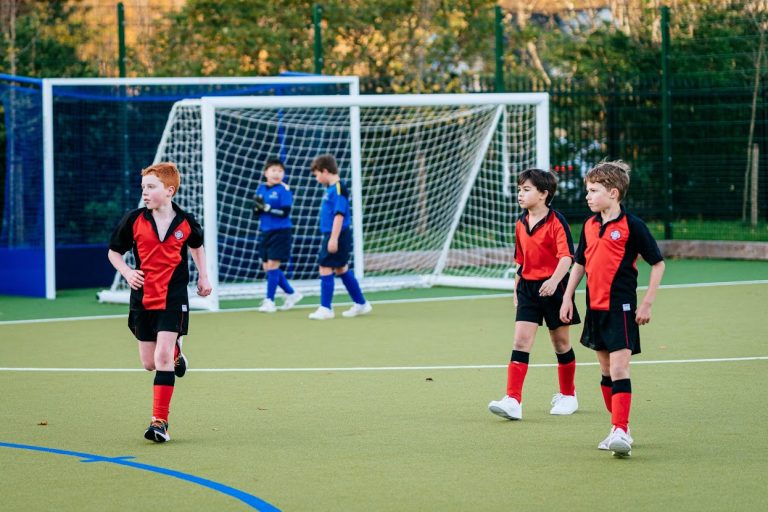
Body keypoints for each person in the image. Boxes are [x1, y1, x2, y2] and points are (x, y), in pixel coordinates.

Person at [559, 160, 665, 457]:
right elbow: (580, 263)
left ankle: (620, 429)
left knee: (620, 367)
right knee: (606, 371)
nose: (588, 196)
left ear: (614, 193)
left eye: (593, 191)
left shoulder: (633, 226)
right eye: (587, 191)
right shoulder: (590, 226)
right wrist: (567, 297)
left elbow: (658, 264)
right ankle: (619, 427)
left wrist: (647, 302)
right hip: (595, 308)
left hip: (622, 307)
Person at [107, 162, 212, 443]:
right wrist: (128, 271)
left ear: (169, 191)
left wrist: (204, 276)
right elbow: (114, 253)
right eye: (143, 187)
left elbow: (197, 245)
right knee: (148, 363)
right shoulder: (134, 220)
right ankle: (177, 352)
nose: (145, 192)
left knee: (161, 358)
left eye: (151, 187)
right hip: (142, 297)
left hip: (174, 297)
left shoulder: (186, 222)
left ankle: (159, 422)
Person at [488, 168, 581, 421]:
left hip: (555, 288)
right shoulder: (520, 222)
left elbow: (566, 257)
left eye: (526, 189)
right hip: (528, 289)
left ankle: (568, 395)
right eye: (520, 189)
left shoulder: (556, 221)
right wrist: (516, 288)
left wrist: (553, 281)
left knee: (560, 344)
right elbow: (520, 260)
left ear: (543, 194)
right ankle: (513, 400)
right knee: (520, 342)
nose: (520, 193)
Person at [307, 154, 372, 320]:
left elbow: (339, 215)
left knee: (325, 267)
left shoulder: (338, 188)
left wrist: (333, 238)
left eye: (317, 175)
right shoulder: (331, 189)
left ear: (325, 171)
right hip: (335, 234)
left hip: (337, 234)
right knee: (341, 268)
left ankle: (326, 308)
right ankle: (361, 304)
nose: (316, 178)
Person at [252, 158, 303, 313]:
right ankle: (292, 293)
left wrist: (266, 208)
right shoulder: (261, 188)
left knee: (274, 265)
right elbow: (256, 211)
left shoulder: (284, 190)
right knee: (267, 267)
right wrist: (257, 208)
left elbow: (285, 212)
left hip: (281, 231)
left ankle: (270, 301)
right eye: (273, 170)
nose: (277, 174)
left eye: (280, 171)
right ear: (266, 173)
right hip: (265, 231)